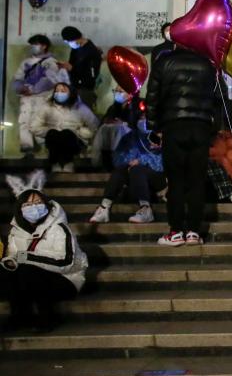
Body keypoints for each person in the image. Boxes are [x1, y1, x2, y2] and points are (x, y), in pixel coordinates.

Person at [145, 43, 218, 247]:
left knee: (176, 181)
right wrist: (212, 128)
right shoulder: (207, 64)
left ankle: (176, 231)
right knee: (196, 180)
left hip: (174, 126)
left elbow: (152, 96)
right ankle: (194, 231)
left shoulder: (164, 62)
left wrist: (153, 127)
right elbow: (218, 98)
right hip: (201, 127)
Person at [1, 171, 87, 332]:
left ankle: (47, 318)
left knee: (28, 270)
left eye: (37, 203)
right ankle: (18, 317)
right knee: (9, 272)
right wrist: (10, 262)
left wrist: (26, 258)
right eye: (27, 205)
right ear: (20, 209)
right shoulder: (16, 231)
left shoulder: (60, 228)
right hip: (30, 278)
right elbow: (13, 254)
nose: (33, 208)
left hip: (66, 279)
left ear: (46, 205)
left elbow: (67, 262)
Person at [88, 119, 165, 224]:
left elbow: (164, 163)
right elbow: (118, 158)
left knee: (137, 169)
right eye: (141, 116)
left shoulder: (164, 135)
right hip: (135, 178)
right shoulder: (131, 137)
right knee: (121, 169)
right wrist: (129, 162)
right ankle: (104, 207)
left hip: (158, 178)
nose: (144, 119)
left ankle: (146, 209)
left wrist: (141, 161)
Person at [13, 35, 67, 156]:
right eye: (32, 44)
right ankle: (27, 152)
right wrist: (20, 88)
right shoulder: (26, 62)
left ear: (44, 46)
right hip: (26, 99)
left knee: (42, 124)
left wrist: (32, 90)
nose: (33, 47)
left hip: (42, 98)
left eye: (35, 44)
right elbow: (17, 79)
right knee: (24, 123)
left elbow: (49, 80)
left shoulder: (51, 62)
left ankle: (50, 151)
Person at [30, 82, 99, 173]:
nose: (59, 93)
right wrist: (49, 131)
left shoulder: (81, 108)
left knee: (67, 133)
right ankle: (55, 164)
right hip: (53, 139)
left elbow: (94, 126)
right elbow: (34, 126)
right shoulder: (46, 107)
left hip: (74, 140)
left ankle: (68, 163)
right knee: (53, 134)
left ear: (70, 93)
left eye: (63, 91)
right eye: (57, 91)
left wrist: (79, 132)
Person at [91, 87, 143, 169]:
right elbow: (104, 121)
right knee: (104, 128)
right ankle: (106, 164)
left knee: (119, 129)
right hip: (111, 139)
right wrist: (108, 121)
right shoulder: (113, 107)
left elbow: (140, 125)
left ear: (130, 94)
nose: (117, 93)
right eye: (115, 91)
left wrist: (123, 123)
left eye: (120, 91)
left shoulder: (138, 105)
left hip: (132, 138)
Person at [60, 26, 102, 110]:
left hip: (85, 89)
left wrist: (72, 69)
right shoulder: (75, 48)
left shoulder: (92, 51)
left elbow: (91, 76)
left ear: (77, 38)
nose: (70, 44)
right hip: (74, 86)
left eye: (70, 41)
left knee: (84, 115)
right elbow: (72, 64)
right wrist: (67, 67)